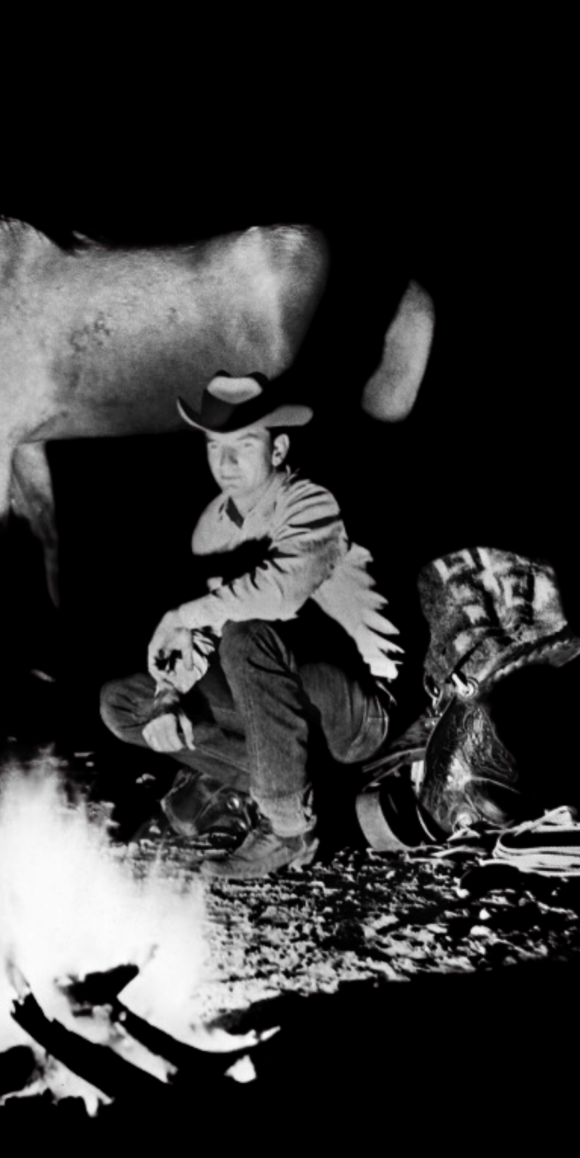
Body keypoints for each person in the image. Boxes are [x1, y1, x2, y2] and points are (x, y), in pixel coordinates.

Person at [98, 372, 402, 878]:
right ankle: (283, 781)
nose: (226, 462)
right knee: (122, 702)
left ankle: (289, 828)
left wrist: (182, 614)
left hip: (353, 711)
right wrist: (169, 695)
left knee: (247, 638)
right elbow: (203, 632)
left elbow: (278, 595)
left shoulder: (311, 502)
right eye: (214, 446)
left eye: (243, 444)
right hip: (269, 705)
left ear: (278, 449)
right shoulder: (212, 526)